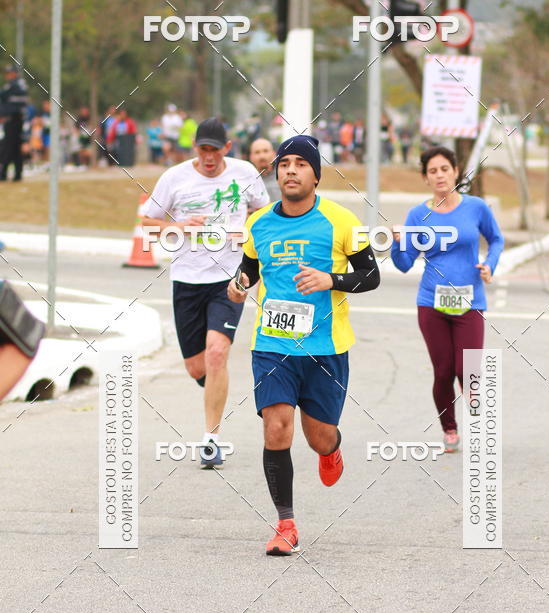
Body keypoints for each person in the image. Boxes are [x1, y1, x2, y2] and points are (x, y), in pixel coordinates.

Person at [227, 135, 380, 555]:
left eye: (300, 163)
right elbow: (249, 270)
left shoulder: (342, 220)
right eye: (284, 163)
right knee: (276, 427)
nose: (290, 170)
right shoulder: (258, 224)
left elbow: (372, 276)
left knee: (318, 437)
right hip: (273, 346)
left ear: (316, 174)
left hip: (325, 349)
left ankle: (330, 450)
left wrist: (332, 279)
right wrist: (239, 286)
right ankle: (285, 524)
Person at [141, 118, 270, 468]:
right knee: (197, 365)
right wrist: (177, 226)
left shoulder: (244, 174)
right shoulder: (175, 178)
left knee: (217, 354)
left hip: (229, 277)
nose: (209, 156)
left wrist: (248, 232)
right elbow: (147, 221)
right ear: (195, 149)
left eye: (216, 149)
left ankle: (211, 438)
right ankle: (215, 387)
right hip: (186, 279)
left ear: (227, 148)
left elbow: (263, 212)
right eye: (203, 149)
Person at [391, 146, 504, 452]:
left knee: (466, 369)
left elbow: (496, 238)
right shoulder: (418, 214)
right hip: (431, 302)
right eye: (432, 171)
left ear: (455, 171)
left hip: (470, 301)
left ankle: (479, 419)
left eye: (444, 169)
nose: (439, 175)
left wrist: (490, 264)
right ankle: (449, 428)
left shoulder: (476, 207)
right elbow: (403, 264)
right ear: (425, 178)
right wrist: (396, 242)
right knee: (443, 371)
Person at [0, 65, 28, 182]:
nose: (8, 76)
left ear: (15, 73)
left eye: (10, 73)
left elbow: (12, 104)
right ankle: (17, 174)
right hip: (12, 120)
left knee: (9, 147)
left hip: (14, 120)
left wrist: (3, 114)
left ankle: (4, 173)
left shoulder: (17, 85)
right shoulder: (11, 86)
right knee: (15, 147)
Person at [248, 137, 278, 202]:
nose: (262, 156)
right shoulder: (245, 182)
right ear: (251, 157)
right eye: (257, 152)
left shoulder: (284, 177)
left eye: (265, 151)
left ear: (274, 154)